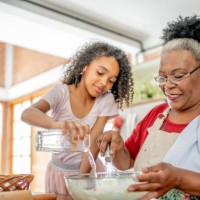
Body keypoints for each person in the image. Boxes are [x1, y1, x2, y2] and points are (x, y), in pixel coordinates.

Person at [97, 15, 200, 199]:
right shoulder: (156, 115)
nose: (167, 85)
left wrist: (178, 178)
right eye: (162, 77)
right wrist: (118, 147)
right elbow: (127, 162)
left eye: (178, 76)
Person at [21, 41, 134, 197]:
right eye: (100, 73)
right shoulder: (60, 92)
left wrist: (80, 180)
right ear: (84, 67)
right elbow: (27, 113)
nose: (104, 83)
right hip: (57, 173)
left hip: (88, 172)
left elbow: (93, 144)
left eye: (111, 81)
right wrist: (56, 124)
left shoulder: (105, 100)